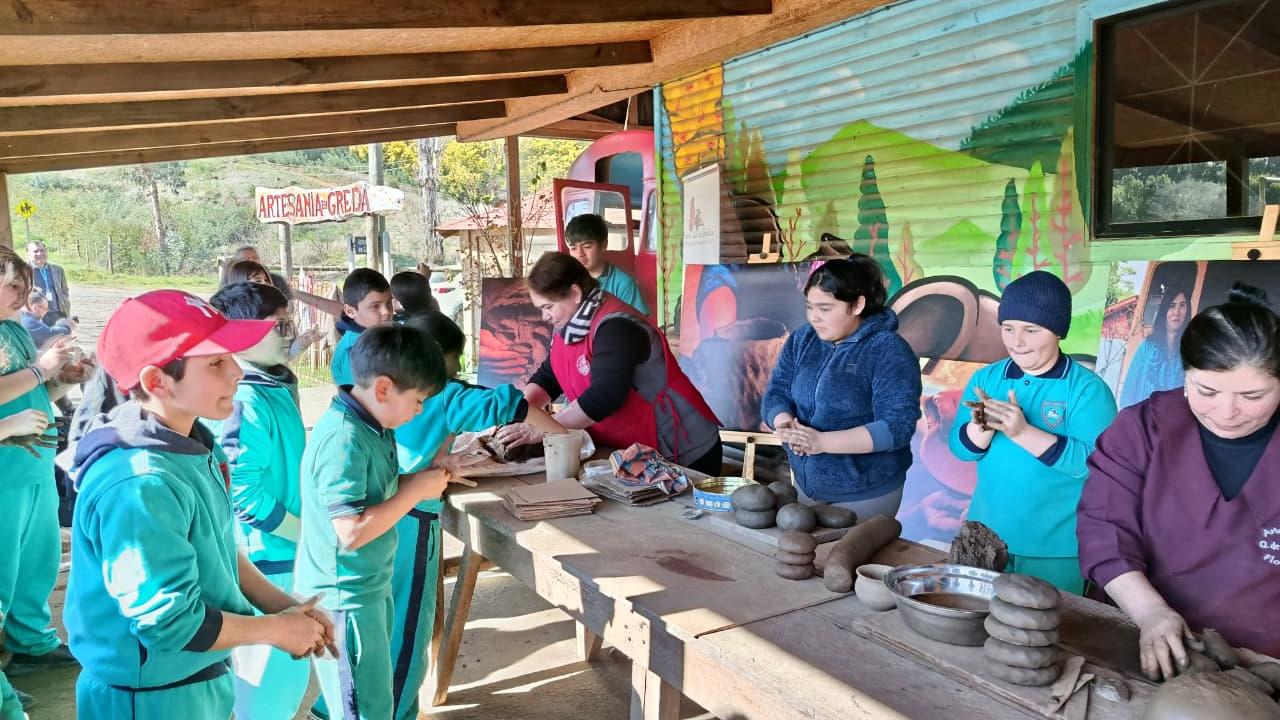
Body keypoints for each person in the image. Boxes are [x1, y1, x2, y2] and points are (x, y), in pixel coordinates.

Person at [63, 290, 333, 720]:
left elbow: (222, 550)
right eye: (215, 363)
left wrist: (285, 607)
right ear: (156, 382)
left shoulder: (196, 445)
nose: (236, 374)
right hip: (148, 697)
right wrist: (274, 630)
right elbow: (170, 622)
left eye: (231, 357)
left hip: (194, 679)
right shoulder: (140, 483)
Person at [1079, 283, 1280, 676]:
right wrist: (1150, 612)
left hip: (1265, 664)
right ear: (1184, 373)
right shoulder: (1142, 429)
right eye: (1206, 390)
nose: (1227, 412)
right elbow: (1103, 529)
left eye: (1253, 396)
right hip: (1141, 639)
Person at [386, 311, 564, 720]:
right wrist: (561, 435)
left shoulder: (386, 387)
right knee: (407, 633)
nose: (459, 370)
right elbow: (511, 404)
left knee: (388, 621)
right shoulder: (445, 394)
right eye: (456, 359)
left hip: (391, 506)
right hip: (413, 519)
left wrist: (438, 457)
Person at [293, 325, 464, 720]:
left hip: (366, 588)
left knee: (373, 700)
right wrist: (415, 492)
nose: (420, 410)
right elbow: (350, 531)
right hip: (343, 600)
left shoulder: (372, 424)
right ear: (384, 389)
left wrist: (422, 477)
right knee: (361, 709)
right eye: (418, 400)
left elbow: (378, 491)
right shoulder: (343, 439)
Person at [949, 271, 1117, 593]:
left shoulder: (1087, 390)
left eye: (1031, 330)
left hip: (1055, 548)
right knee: (974, 627)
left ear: (1057, 331)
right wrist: (980, 428)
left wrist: (1022, 432)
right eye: (1008, 328)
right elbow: (960, 449)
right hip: (983, 536)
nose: (1016, 341)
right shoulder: (988, 379)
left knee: (1047, 631)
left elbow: (1097, 464)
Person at [497, 253, 722, 474]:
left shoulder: (617, 327)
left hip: (684, 451)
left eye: (548, 307)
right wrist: (521, 412)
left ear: (575, 293)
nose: (545, 316)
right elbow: (550, 375)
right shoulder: (569, 327)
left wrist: (544, 428)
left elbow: (604, 397)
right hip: (628, 451)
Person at [207, 282, 311, 720]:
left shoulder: (268, 386)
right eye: (279, 325)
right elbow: (244, 496)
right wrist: (309, 534)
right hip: (267, 561)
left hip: (282, 556)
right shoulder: (246, 399)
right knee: (267, 689)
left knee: (285, 683)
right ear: (242, 334)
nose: (289, 333)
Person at [760, 256, 923, 518]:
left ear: (858, 304)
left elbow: (897, 427)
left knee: (846, 559)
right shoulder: (803, 339)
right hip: (805, 483)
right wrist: (786, 425)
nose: (814, 317)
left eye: (825, 308)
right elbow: (776, 391)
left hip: (866, 491)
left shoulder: (888, 350)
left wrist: (822, 442)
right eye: (809, 307)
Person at [0, 247, 78, 720]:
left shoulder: (12, 330)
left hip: (33, 464)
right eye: (12, 284)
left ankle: (31, 642)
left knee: (37, 561)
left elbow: (31, 392)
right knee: (2, 572)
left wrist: (62, 382)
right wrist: (40, 370)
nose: (22, 294)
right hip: (6, 470)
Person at [1119, 283, 1191, 408]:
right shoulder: (1147, 348)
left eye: (1182, 305)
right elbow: (1127, 395)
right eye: (1172, 306)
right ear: (1164, 310)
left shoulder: (1192, 351)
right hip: (1142, 423)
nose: (1177, 312)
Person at [225, 245, 344, 319]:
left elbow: (290, 307)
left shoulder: (276, 281)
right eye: (246, 260)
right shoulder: (230, 299)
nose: (252, 262)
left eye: (255, 258)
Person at [564, 213, 649, 315]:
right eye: (573, 248)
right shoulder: (567, 281)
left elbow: (640, 323)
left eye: (587, 246)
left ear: (603, 245)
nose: (579, 254)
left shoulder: (623, 284)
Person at [330, 268, 394, 387]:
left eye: (389, 303)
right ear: (350, 311)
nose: (386, 311)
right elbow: (366, 400)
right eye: (375, 306)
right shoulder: (353, 352)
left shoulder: (381, 335)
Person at [25, 243, 70, 326]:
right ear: (28, 254)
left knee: (61, 338)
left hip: (58, 314)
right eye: (36, 251)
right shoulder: (23, 271)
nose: (40, 254)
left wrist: (64, 303)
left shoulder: (58, 270)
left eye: (42, 250)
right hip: (37, 316)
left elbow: (64, 290)